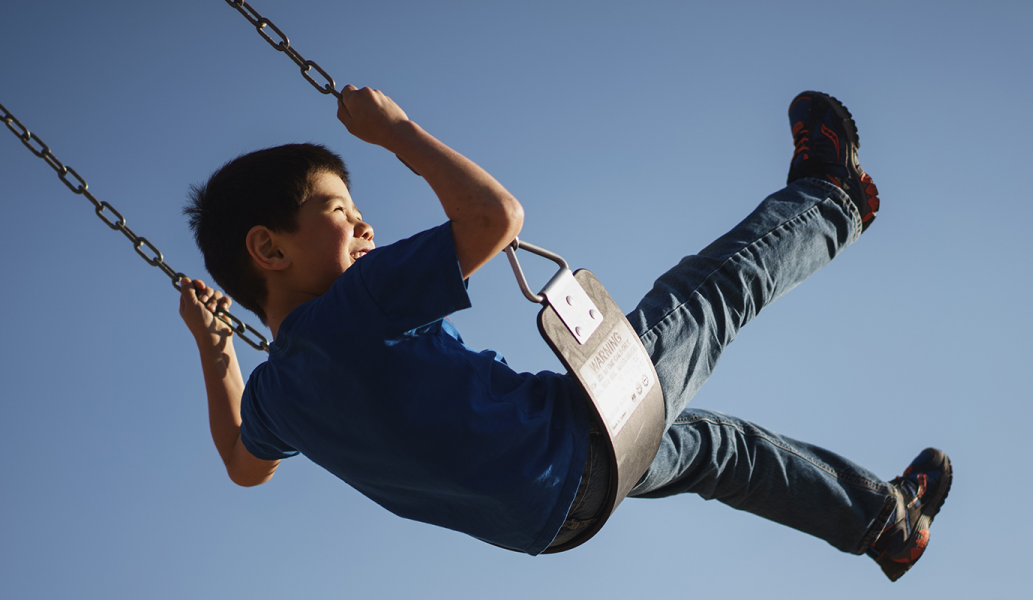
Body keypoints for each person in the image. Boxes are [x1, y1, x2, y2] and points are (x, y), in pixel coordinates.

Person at [178, 85, 951, 581]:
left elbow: (245, 465)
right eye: (339, 210)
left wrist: (218, 357)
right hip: (571, 442)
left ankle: (884, 522)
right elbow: (494, 219)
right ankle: (832, 199)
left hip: (551, 518)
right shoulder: (353, 308)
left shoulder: (277, 392)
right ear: (269, 249)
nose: (363, 222)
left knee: (723, 452)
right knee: (705, 299)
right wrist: (396, 131)